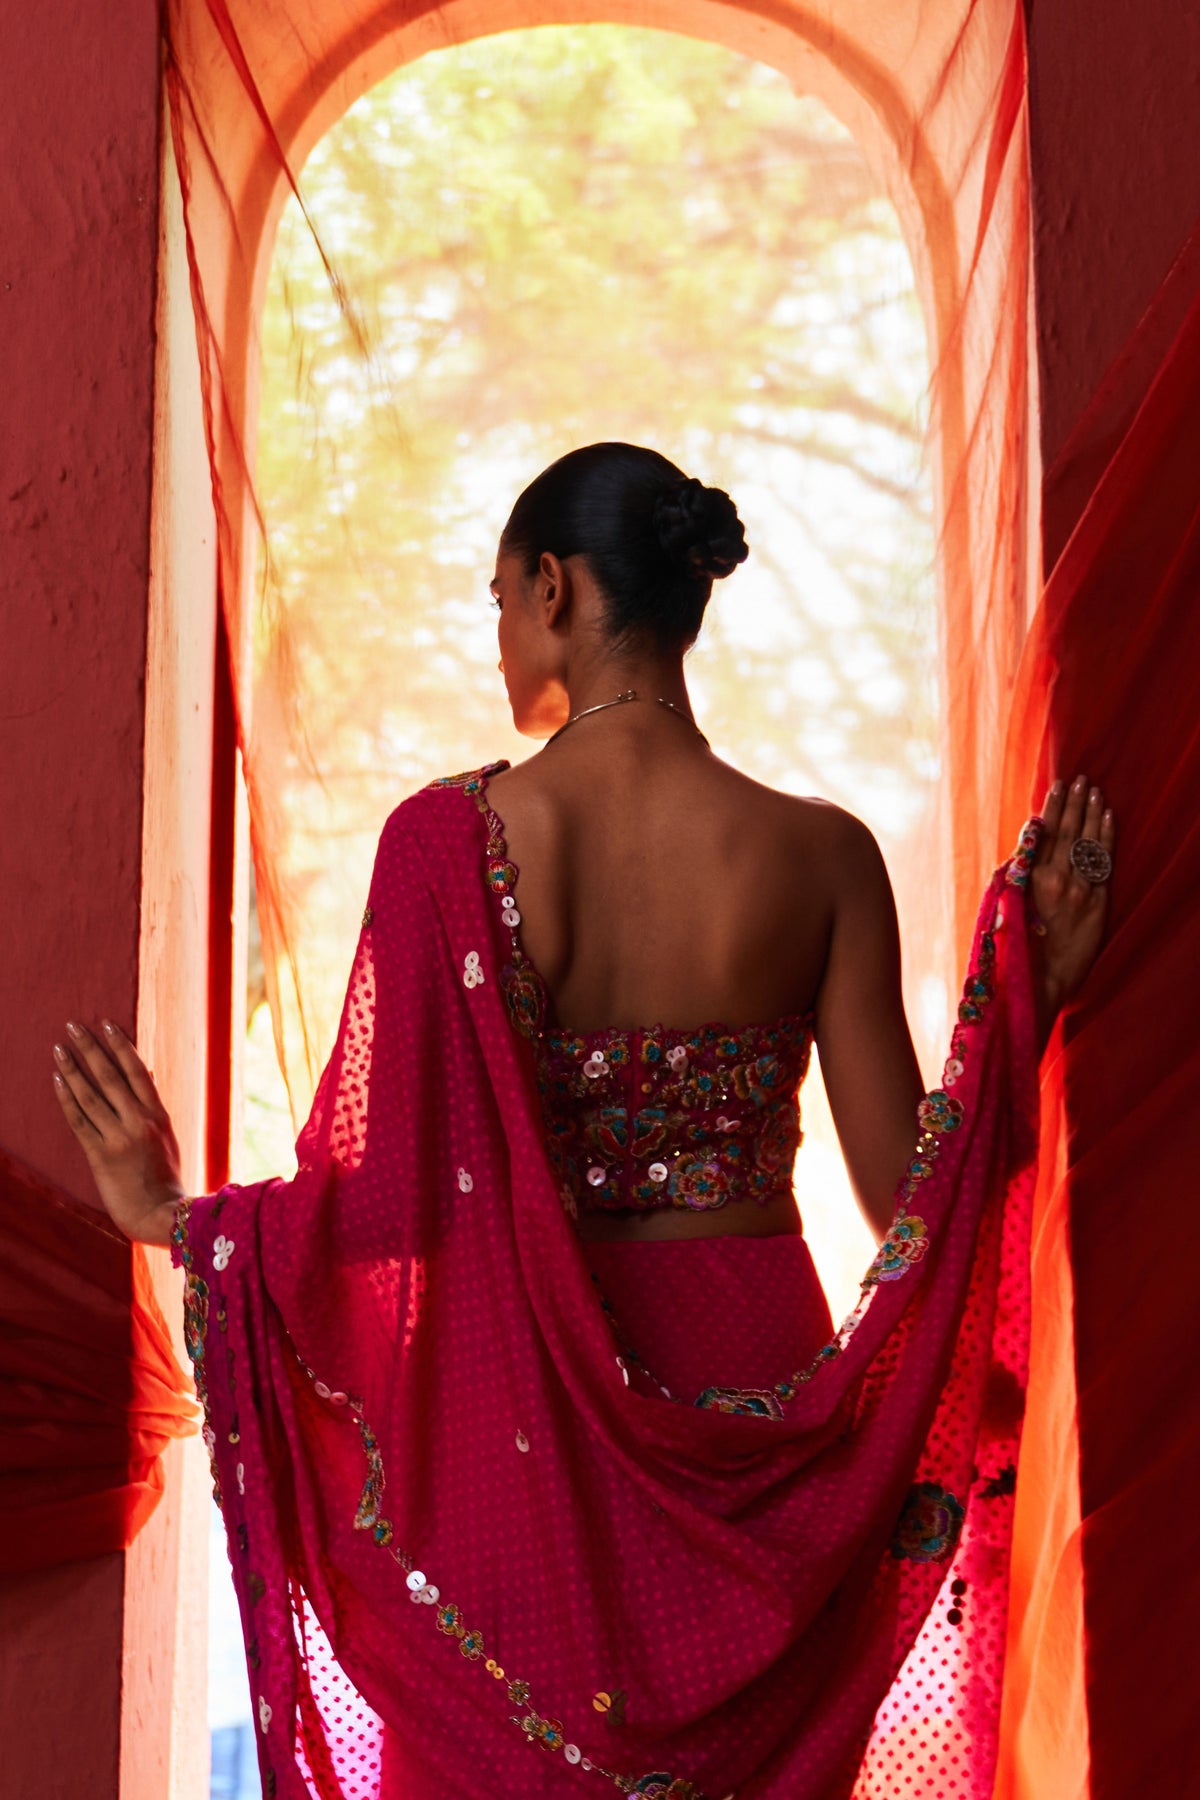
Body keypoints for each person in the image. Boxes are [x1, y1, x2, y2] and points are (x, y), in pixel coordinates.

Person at [52, 443, 1114, 1799]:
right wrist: (1023, 1004)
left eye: (498, 599)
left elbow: (376, 1216)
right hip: (761, 1405)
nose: (497, 637)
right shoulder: (822, 854)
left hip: (531, 1437)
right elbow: (913, 1193)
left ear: (555, 588)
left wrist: (176, 1222)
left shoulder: (446, 848)